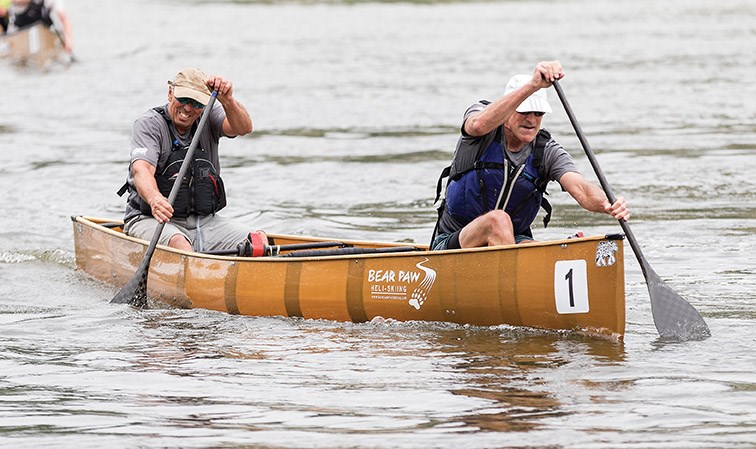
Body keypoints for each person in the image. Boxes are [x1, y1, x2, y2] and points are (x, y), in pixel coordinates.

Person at [431, 60, 629, 250]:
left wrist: (607, 204)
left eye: (538, 113)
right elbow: (477, 125)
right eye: (524, 111)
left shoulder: (545, 151)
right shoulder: (482, 125)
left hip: (513, 241)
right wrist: (534, 85)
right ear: (508, 110)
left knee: (545, 250)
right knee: (497, 220)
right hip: (453, 242)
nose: (531, 120)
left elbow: (582, 189)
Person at [119, 68, 255, 253]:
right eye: (183, 99)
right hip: (151, 220)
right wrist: (155, 199)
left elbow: (243, 128)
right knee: (181, 245)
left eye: (196, 102)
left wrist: (228, 101)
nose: (188, 108)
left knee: (257, 241)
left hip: (204, 223)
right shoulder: (149, 124)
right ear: (170, 93)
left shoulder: (209, 115)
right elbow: (141, 170)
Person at [6, 0, 72, 53]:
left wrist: (68, 40)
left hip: (41, 29)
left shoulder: (53, 1)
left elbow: (64, 19)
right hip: (18, 30)